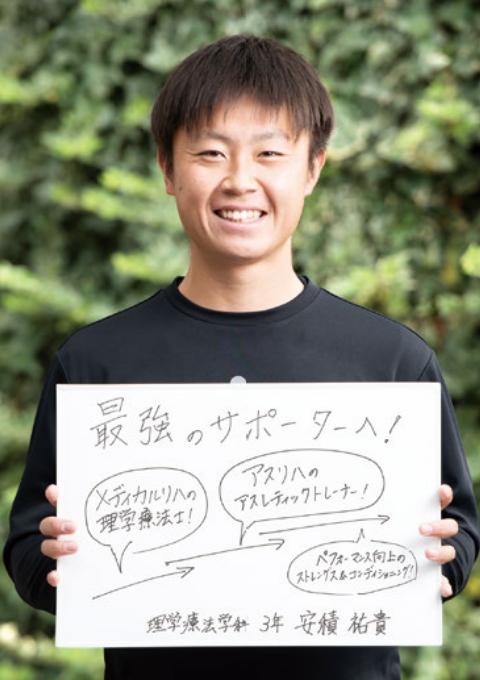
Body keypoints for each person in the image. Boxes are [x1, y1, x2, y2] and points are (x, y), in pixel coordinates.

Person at [3, 34, 479, 680]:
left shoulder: (392, 360)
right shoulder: (96, 362)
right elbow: (28, 552)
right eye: (210, 152)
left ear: (312, 169)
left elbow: (458, 533)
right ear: (168, 170)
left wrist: (440, 556)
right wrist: (57, 560)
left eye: (270, 153)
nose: (239, 180)